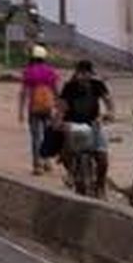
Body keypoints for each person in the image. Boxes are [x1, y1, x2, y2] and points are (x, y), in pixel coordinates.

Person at [59, 59, 114, 197]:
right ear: (77, 74)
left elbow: (108, 101)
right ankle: (71, 173)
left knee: (103, 158)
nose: (84, 77)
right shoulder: (69, 87)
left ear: (91, 74)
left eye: (87, 74)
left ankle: (100, 186)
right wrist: (60, 120)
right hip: (73, 125)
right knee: (65, 153)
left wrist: (110, 113)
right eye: (81, 73)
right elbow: (62, 106)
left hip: (93, 124)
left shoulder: (98, 85)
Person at [18, 45, 60, 175]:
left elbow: (24, 92)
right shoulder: (50, 71)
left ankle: (38, 166)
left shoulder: (29, 71)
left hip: (34, 108)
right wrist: (58, 106)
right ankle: (47, 162)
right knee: (48, 135)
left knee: (36, 137)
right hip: (48, 108)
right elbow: (56, 90)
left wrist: (21, 111)